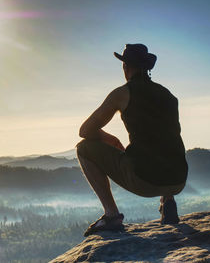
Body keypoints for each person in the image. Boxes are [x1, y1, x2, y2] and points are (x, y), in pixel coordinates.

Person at [76, 44, 188, 237]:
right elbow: (167, 136)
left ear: (126, 67)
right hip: (178, 179)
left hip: (145, 180)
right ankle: (168, 203)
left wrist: (107, 137)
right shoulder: (169, 96)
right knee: (164, 141)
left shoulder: (122, 93)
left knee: (83, 148)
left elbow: (85, 131)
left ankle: (111, 216)